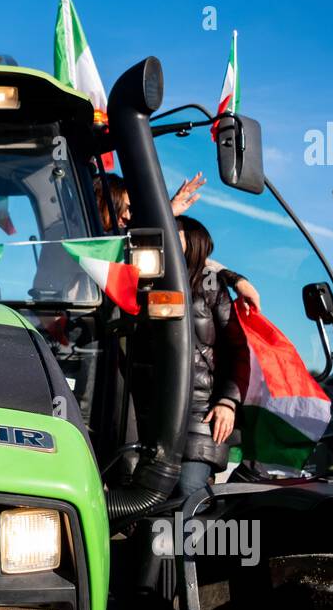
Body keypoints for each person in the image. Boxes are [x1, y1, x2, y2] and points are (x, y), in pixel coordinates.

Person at [93, 172, 261, 310]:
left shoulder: (125, 243)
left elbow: (201, 263)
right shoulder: (74, 233)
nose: (127, 216)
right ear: (105, 197)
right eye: (126, 207)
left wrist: (237, 280)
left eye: (176, 235)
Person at [175, 215, 244, 500]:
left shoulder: (212, 285)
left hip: (202, 414)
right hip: (155, 416)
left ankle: (201, 545)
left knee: (189, 490)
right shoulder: (148, 281)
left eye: (175, 232)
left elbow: (239, 349)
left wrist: (228, 402)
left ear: (193, 241)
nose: (165, 234)